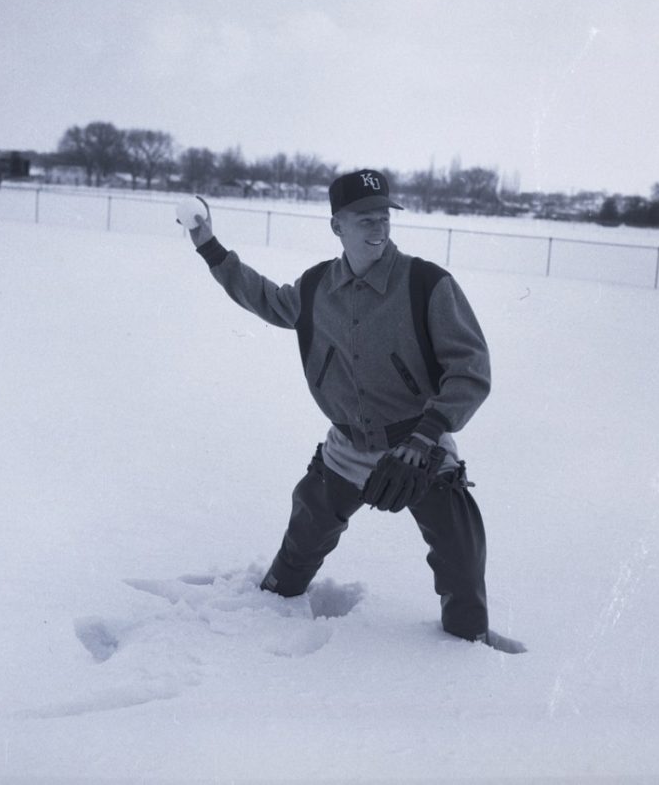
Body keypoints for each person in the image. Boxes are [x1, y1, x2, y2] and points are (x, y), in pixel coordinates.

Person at [180, 169, 524, 653]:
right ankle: (271, 610)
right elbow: (267, 299)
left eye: (384, 217)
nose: (378, 228)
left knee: (461, 555)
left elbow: (471, 371)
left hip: (417, 445)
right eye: (364, 219)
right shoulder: (319, 285)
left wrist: (425, 438)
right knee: (302, 540)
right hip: (346, 445)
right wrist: (210, 247)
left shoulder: (427, 284)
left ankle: (469, 645)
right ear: (336, 226)